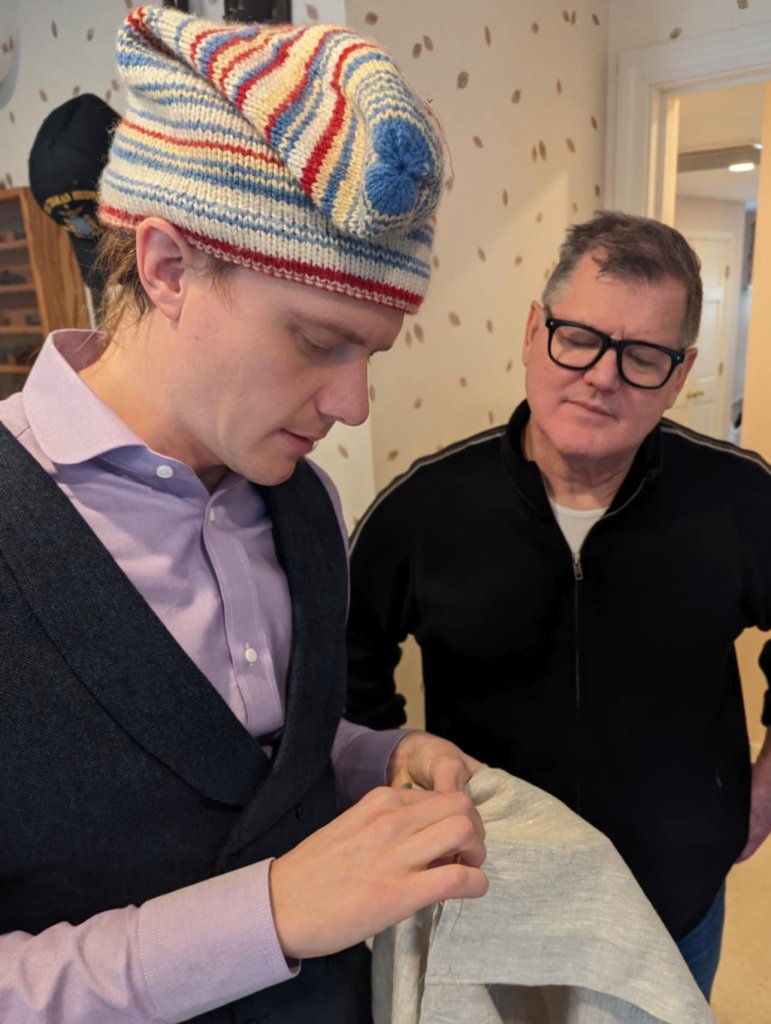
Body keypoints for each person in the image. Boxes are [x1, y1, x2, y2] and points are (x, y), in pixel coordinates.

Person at [0, 8, 489, 1024]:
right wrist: (264, 917)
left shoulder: (304, 505)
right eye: (316, 339)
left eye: (371, 353)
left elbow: (257, 754)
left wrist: (375, 758)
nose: (353, 403)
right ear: (167, 266)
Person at [345, 211, 771, 1002]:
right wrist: (399, 787)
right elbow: (345, 665)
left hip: (672, 900)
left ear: (679, 373)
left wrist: (764, 785)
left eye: (642, 356)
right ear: (533, 330)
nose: (602, 376)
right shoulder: (423, 509)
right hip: (492, 897)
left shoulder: (741, 499)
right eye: (578, 337)